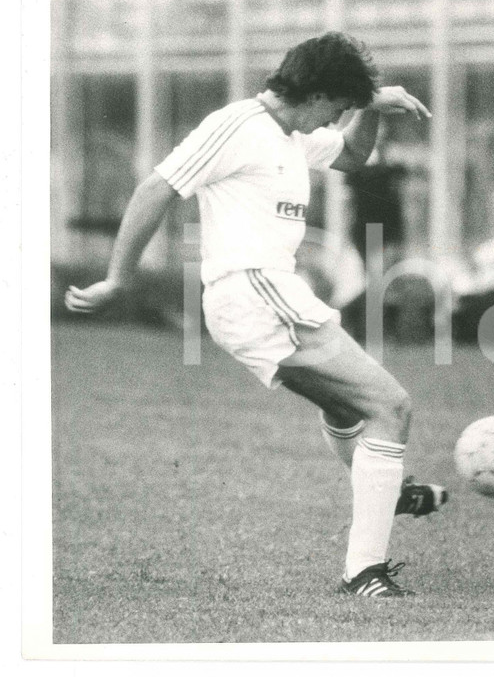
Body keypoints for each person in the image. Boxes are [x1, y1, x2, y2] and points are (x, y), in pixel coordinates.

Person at [65, 32, 443, 598]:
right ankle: (364, 571)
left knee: (347, 405)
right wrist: (119, 277)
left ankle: (387, 493)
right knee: (391, 405)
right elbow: (155, 189)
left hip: (264, 295)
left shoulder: (294, 134)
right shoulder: (237, 125)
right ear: (317, 94)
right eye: (339, 105)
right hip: (253, 292)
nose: (337, 117)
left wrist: (369, 108)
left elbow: (352, 155)